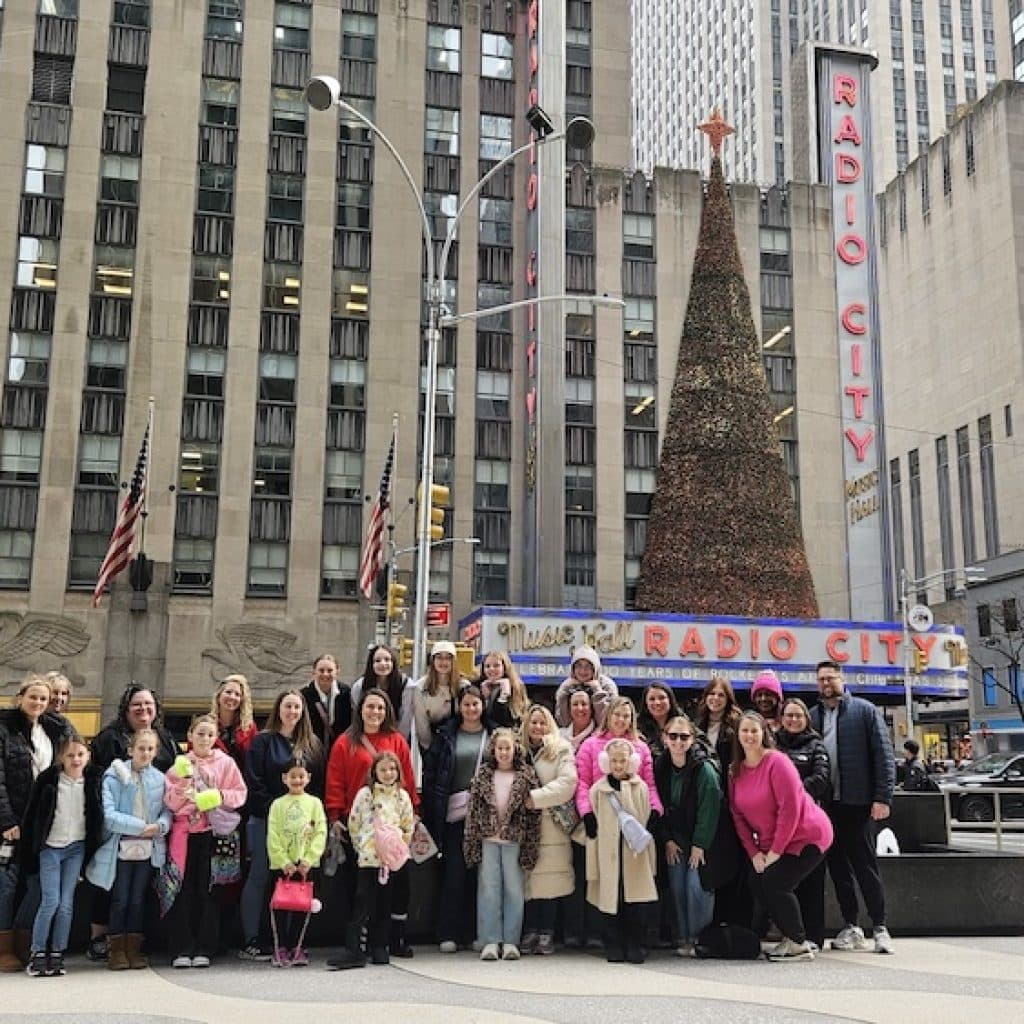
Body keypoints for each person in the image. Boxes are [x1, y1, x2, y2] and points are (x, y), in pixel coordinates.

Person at [324, 688, 418, 966]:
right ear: (360, 709)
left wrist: (408, 829)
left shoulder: (397, 740)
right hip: (361, 835)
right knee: (359, 894)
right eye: (370, 707)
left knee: (387, 897)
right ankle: (355, 947)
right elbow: (335, 779)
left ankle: (381, 945)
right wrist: (335, 815)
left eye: (380, 707)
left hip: (391, 845)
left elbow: (408, 781)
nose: (375, 712)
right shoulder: (345, 742)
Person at [729, 711, 833, 962]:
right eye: (745, 731)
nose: (750, 736)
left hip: (807, 834)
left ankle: (798, 942)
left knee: (776, 882)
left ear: (764, 733)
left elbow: (791, 809)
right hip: (772, 841)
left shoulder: (778, 762)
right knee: (757, 880)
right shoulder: (736, 771)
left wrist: (775, 852)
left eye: (754, 730)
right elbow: (738, 815)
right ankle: (790, 935)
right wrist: (754, 853)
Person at [809, 660, 896, 955]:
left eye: (830, 678)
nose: (825, 684)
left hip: (858, 803)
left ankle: (880, 927)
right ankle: (851, 925)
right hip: (826, 806)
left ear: (841, 678)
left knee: (865, 867)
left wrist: (882, 797)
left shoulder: (865, 711)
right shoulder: (813, 716)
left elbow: (883, 756)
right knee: (838, 870)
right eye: (820, 679)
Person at [87, 683, 179, 961]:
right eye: (137, 705)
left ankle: (134, 945)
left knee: (139, 895)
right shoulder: (108, 741)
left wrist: (160, 826)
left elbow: (169, 795)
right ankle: (108, 943)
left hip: (151, 840)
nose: (143, 709)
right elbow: (103, 797)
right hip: (116, 835)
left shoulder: (165, 741)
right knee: (115, 892)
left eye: (148, 705)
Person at [240, 690, 323, 961]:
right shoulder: (262, 742)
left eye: (297, 707)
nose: (292, 712)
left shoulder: (312, 744)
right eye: (288, 706)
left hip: (304, 827)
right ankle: (254, 938)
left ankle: (292, 942)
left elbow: (318, 784)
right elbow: (253, 781)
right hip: (268, 820)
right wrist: (280, 811)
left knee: (298, 882)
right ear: (279, 709)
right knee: (261, 877)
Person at [162, 715, 247, 968]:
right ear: (190, 736)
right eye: (200, 733)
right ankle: (181, 947)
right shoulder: (179, 765)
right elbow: (169, 801)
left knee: (209, 890)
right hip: (185, 834)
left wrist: (217, 795)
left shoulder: (226, 763)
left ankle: (206, 946)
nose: (205, 739)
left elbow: (240, 794)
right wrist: (182, 789)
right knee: (183, 889)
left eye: (210, 734)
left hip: (214, 832)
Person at [0, 675, 69, 972]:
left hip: (42, 823)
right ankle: (3, 947)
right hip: (11, 821)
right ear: (20, 697)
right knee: (6, 886)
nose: (39, 703)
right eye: (33, 697)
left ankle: (22, 941)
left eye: (43, 698)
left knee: (38, 886)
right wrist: (5, 820)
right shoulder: (4, 729)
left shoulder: (53, 730)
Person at [19, 732, 103, 978]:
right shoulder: (48, 781)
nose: (75, 760)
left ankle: (57, 951)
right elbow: (33, 816)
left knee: (66, 904)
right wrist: (31, 847)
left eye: (80, 754)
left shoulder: (93, 780)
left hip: (76, 848)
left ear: (88, 756)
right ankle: (37, 952)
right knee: (50, 901)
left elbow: (96, 817)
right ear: (60, 758)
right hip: (51, 848)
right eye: (70, 755)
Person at [421, 685, 490, 952]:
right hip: (453, 815)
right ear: (459, 707)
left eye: (476, 704)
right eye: (466, 704)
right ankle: (447, 931)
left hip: (485, 816)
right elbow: (433, 773)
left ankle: (473, 931)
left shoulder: (493, 733)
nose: (471, 709)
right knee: (453, 874)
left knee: (480, 876)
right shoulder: (446, 735)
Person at [463, 729, 540, 961]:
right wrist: (471, 840)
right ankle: (490, 940)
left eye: (508, 748)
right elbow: (473, 812)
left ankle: (511, 941)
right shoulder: (483, 776)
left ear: (516, 749)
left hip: (514, 840)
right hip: (488, 839)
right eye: (500, 748)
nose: (504, 753)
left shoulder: (526, 776)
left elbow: (534, 815)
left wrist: (531, 844)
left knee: (514, 890)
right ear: (493, 751)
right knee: (488, 889)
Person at [653, 714, 723, 957]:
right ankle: (681, 937)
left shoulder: (704, 769)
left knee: (696, 887)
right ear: (665, 738)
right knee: (676, 885)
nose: (678, 741)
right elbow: (658, 806)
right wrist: (668, 840)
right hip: (675, 838)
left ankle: (698, 938)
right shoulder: (660, 766)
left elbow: (709, 809)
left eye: (684, 737)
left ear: (693, 739)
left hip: (701, 840)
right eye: (673, 736)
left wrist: (699, 844)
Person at [585, 738, 658, 964]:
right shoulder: (599, 789)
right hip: (608, 851)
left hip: (633, 852)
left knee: (635, 902)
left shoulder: (640, 787)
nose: (618, 765)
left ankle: (635, 943)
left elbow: (644, 819)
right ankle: (613, 943)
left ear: (631, 761)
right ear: (607, 762)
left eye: (623, 760)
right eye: (614, 761)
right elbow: (594, 827)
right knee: (610, 901)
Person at [343, 751, 414, 967]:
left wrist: (399, 848)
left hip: (391, 861)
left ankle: (380, 945)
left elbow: (408, 825)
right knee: (364, 902)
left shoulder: (402, 796)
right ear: (374, 771)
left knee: (385, 903)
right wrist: (362, 846)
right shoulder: (365, 795)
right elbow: (354, 823)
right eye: (382, 769)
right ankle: (355, 948)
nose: (387, 773)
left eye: (392, 769)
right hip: (368, 858)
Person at [518, 704, 577, 955]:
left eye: (543, 722)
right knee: (527, 880)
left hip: (551, 825)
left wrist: (535, 798)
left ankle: (547, 932)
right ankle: (529, 930)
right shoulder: (517, 749)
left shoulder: (560, 749)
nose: (537, 727)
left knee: (551, 880)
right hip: (523, 826)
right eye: (533, 722)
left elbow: (568, 782)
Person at [775, 698, 831, 950]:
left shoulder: (816, 745)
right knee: (784, 881)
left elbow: (821, 779)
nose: (793, 720)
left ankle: (814, 936)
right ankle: (790, 934)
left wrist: (791, 792)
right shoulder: (773, 744)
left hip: (809, 823)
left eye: (798, 716)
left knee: (812, 882)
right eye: (789, 715)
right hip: (780, 822)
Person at [266, 757, 327, 968]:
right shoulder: (277, 804)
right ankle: (280, 946)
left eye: (301, 776)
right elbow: (272, 835)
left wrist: (309, 859)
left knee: (303, 908)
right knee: (280, 908)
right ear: (284, 778)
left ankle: (298, 946)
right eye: (292, 776)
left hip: (305, 866)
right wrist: (283, 861)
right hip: (283, 866)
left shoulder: (315, 804)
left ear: (308, 778)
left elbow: (320, 832)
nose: (297, 780)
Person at [576, 696, 663, 827]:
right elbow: (583, 783)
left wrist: (655, 808)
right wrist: (586, 812)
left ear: (631, 720)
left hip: (633, 818)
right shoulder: (589, 745)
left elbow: (649, 785)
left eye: (626, 716)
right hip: (600, 817)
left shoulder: (642, 748)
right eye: (617, 714)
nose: (621, 719)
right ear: (609, 715)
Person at [412, 640, 469, 752]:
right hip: (433, 745)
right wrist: (429, 749)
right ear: (432, 661)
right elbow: (421, 723)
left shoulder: (464, 686)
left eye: (448, 658)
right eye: (439, 657)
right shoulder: (420, 687)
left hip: (459, 745)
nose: (443, 662)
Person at [351, 645, 414, 744]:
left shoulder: (406, 685)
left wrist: (397, 743)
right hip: (367, 739)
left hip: (397, 739)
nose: (383, 664)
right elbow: (357, 716)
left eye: (387, 659)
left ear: (393, 662)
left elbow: (405, 719)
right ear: (371, 664)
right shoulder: (359, 687)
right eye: (377, 660)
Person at [553, 646, 619, 729]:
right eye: (579, 666)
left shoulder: (608, 686)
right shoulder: (566, 686)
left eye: (588, 667)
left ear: (595, 668)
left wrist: (597, 691)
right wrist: (564, 694)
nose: (583, 671)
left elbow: (608, 723)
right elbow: (563, 722)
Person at [300, 654, 352, 751]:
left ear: (337, 672)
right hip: (312, 748)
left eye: (330, 670)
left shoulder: (346, 692)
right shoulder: (304, 695)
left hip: (340, 747)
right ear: (314, 672)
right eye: (321, 670)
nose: (325, 674)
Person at [210, 674, 258, 770]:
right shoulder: (205, 724)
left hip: (241, 782)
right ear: (219, 695)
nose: (232, 697)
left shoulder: (249, 727)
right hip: (211, 783)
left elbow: (256, 761)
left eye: (237, 694)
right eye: (228, 692)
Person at [694, 676, 741, 771]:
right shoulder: (697, 724)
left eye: (721, 695)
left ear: (728, 699)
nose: (716, 698)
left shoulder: (737, 725)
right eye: (712, 693)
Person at [474, 650, 530, 731]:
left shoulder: (516, 686)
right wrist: (485, 699)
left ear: (505, 667)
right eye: (487, 666)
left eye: (496, 665)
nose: (491, 669)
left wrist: (503, 698)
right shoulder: (478, 686)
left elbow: (508, 719)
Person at [637, 681, 683, 760]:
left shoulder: (684, 723)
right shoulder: (636, 728)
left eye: (662, 698)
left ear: (670, 700)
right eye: (652, 699)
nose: (657, 702)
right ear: (646, 704)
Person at [558, 685, 597, 755]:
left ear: (591, 708)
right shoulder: (559, 735)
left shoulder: (598, 737)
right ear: (569, 709)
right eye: (575, 704)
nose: (580, 708)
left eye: (584, 704)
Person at [750, 670, 784, 734]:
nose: (763, 699)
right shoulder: (747, 721)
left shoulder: (787, 722)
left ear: (777, 697)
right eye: (759, 695)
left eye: (768, 694)